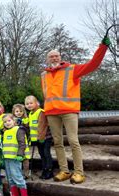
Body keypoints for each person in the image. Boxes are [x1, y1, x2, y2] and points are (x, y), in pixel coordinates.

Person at [41, 36, 110, 184]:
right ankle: (64, 171)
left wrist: (102, 48)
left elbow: (93, 64)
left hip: (69, 111)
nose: (53, 58)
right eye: (51, 56)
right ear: (47, 59)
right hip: (51, 113)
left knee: (73, 141)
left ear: (60, 57)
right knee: (58, 142)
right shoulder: (44, 75)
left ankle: (79, 172)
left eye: (56, 56)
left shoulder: (72, 69)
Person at [1, 114, 29, 196]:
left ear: (14, 121)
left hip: (15, 158)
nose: (7, 123)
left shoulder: (19, 130)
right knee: (10, 178)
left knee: (17, 176)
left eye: (9, 121)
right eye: (5, 122)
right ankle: (15, 195)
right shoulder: (5, 132)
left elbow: (22, 143)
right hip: (7, 158)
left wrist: (20, 154)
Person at [25, 95, 53, 180]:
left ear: (36, 103)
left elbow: (42, 126)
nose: (29, 105)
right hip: (38, 139)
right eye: (27, 104)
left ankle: (49, 170)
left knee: (46, 153)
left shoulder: (41, 112)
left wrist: (41, 138)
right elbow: (31, 127)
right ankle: (44, 169)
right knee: (41, 154)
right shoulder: (30, 113)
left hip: (45, 137)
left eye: (31, 103)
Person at [12, 103, 31, 179]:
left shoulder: (26, 120)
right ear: (14, 112)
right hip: (16, 142)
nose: (19, 113)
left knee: (25, 158)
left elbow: (28, 130)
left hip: (25, 141)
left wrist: (23, 124)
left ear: (23, 112)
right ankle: (18, 173)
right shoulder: (12, 120)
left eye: (20, 111)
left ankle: (26, 173)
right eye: (17, 111)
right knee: (18, 157)